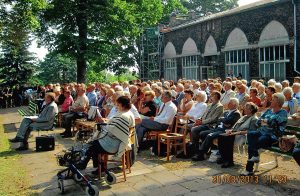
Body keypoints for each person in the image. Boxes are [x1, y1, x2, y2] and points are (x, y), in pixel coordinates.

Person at [75, 96, 135, 170]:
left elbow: (110, 131)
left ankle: (88, 165)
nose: (116, 107)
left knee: (91, 145)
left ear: (123, 105)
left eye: (118, 105)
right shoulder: (129, 113)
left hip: (114, 145)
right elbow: (116, 129)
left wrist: (103, 124)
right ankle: (99, 167)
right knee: (94, 143)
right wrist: (106, 123)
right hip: (120, 141)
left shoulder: (122, 116)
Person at [241, 93, 288, 175]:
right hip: (262, 132)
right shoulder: (269, 110)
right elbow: (258, 121)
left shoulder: (283, 112)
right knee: (250, 134)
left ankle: (249, 170)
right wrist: (267, 121)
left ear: (278, 102)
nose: (271, 101)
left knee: (256, 143)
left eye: (273, 100)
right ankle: (255, 157)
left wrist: (267, 121)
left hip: (273, 136)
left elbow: (274, 122)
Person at [217, 102, 258, 168]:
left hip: (243, 136)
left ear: (250, 110)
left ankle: (229, 161)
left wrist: (237, 133)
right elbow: (236, 125)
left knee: (227, 138)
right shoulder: (244, 116)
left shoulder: (254, 119)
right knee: (221, 136)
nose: (244, 109)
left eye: (246, 108)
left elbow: (251, 131)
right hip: (235, 133)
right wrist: (231, 130)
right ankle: (224, 157)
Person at [190, 91, 224, 157]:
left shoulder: (219, 106)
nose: (210, 97)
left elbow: (214, 119)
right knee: (194, 129)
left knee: (196, 130)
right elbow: (203, 115)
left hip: (211, 126)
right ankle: (196, 148)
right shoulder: (209, 105)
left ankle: (199, 150)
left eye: (212, 95)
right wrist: (199, 120)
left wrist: (202, 122)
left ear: (216, 97)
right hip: (204, 124)